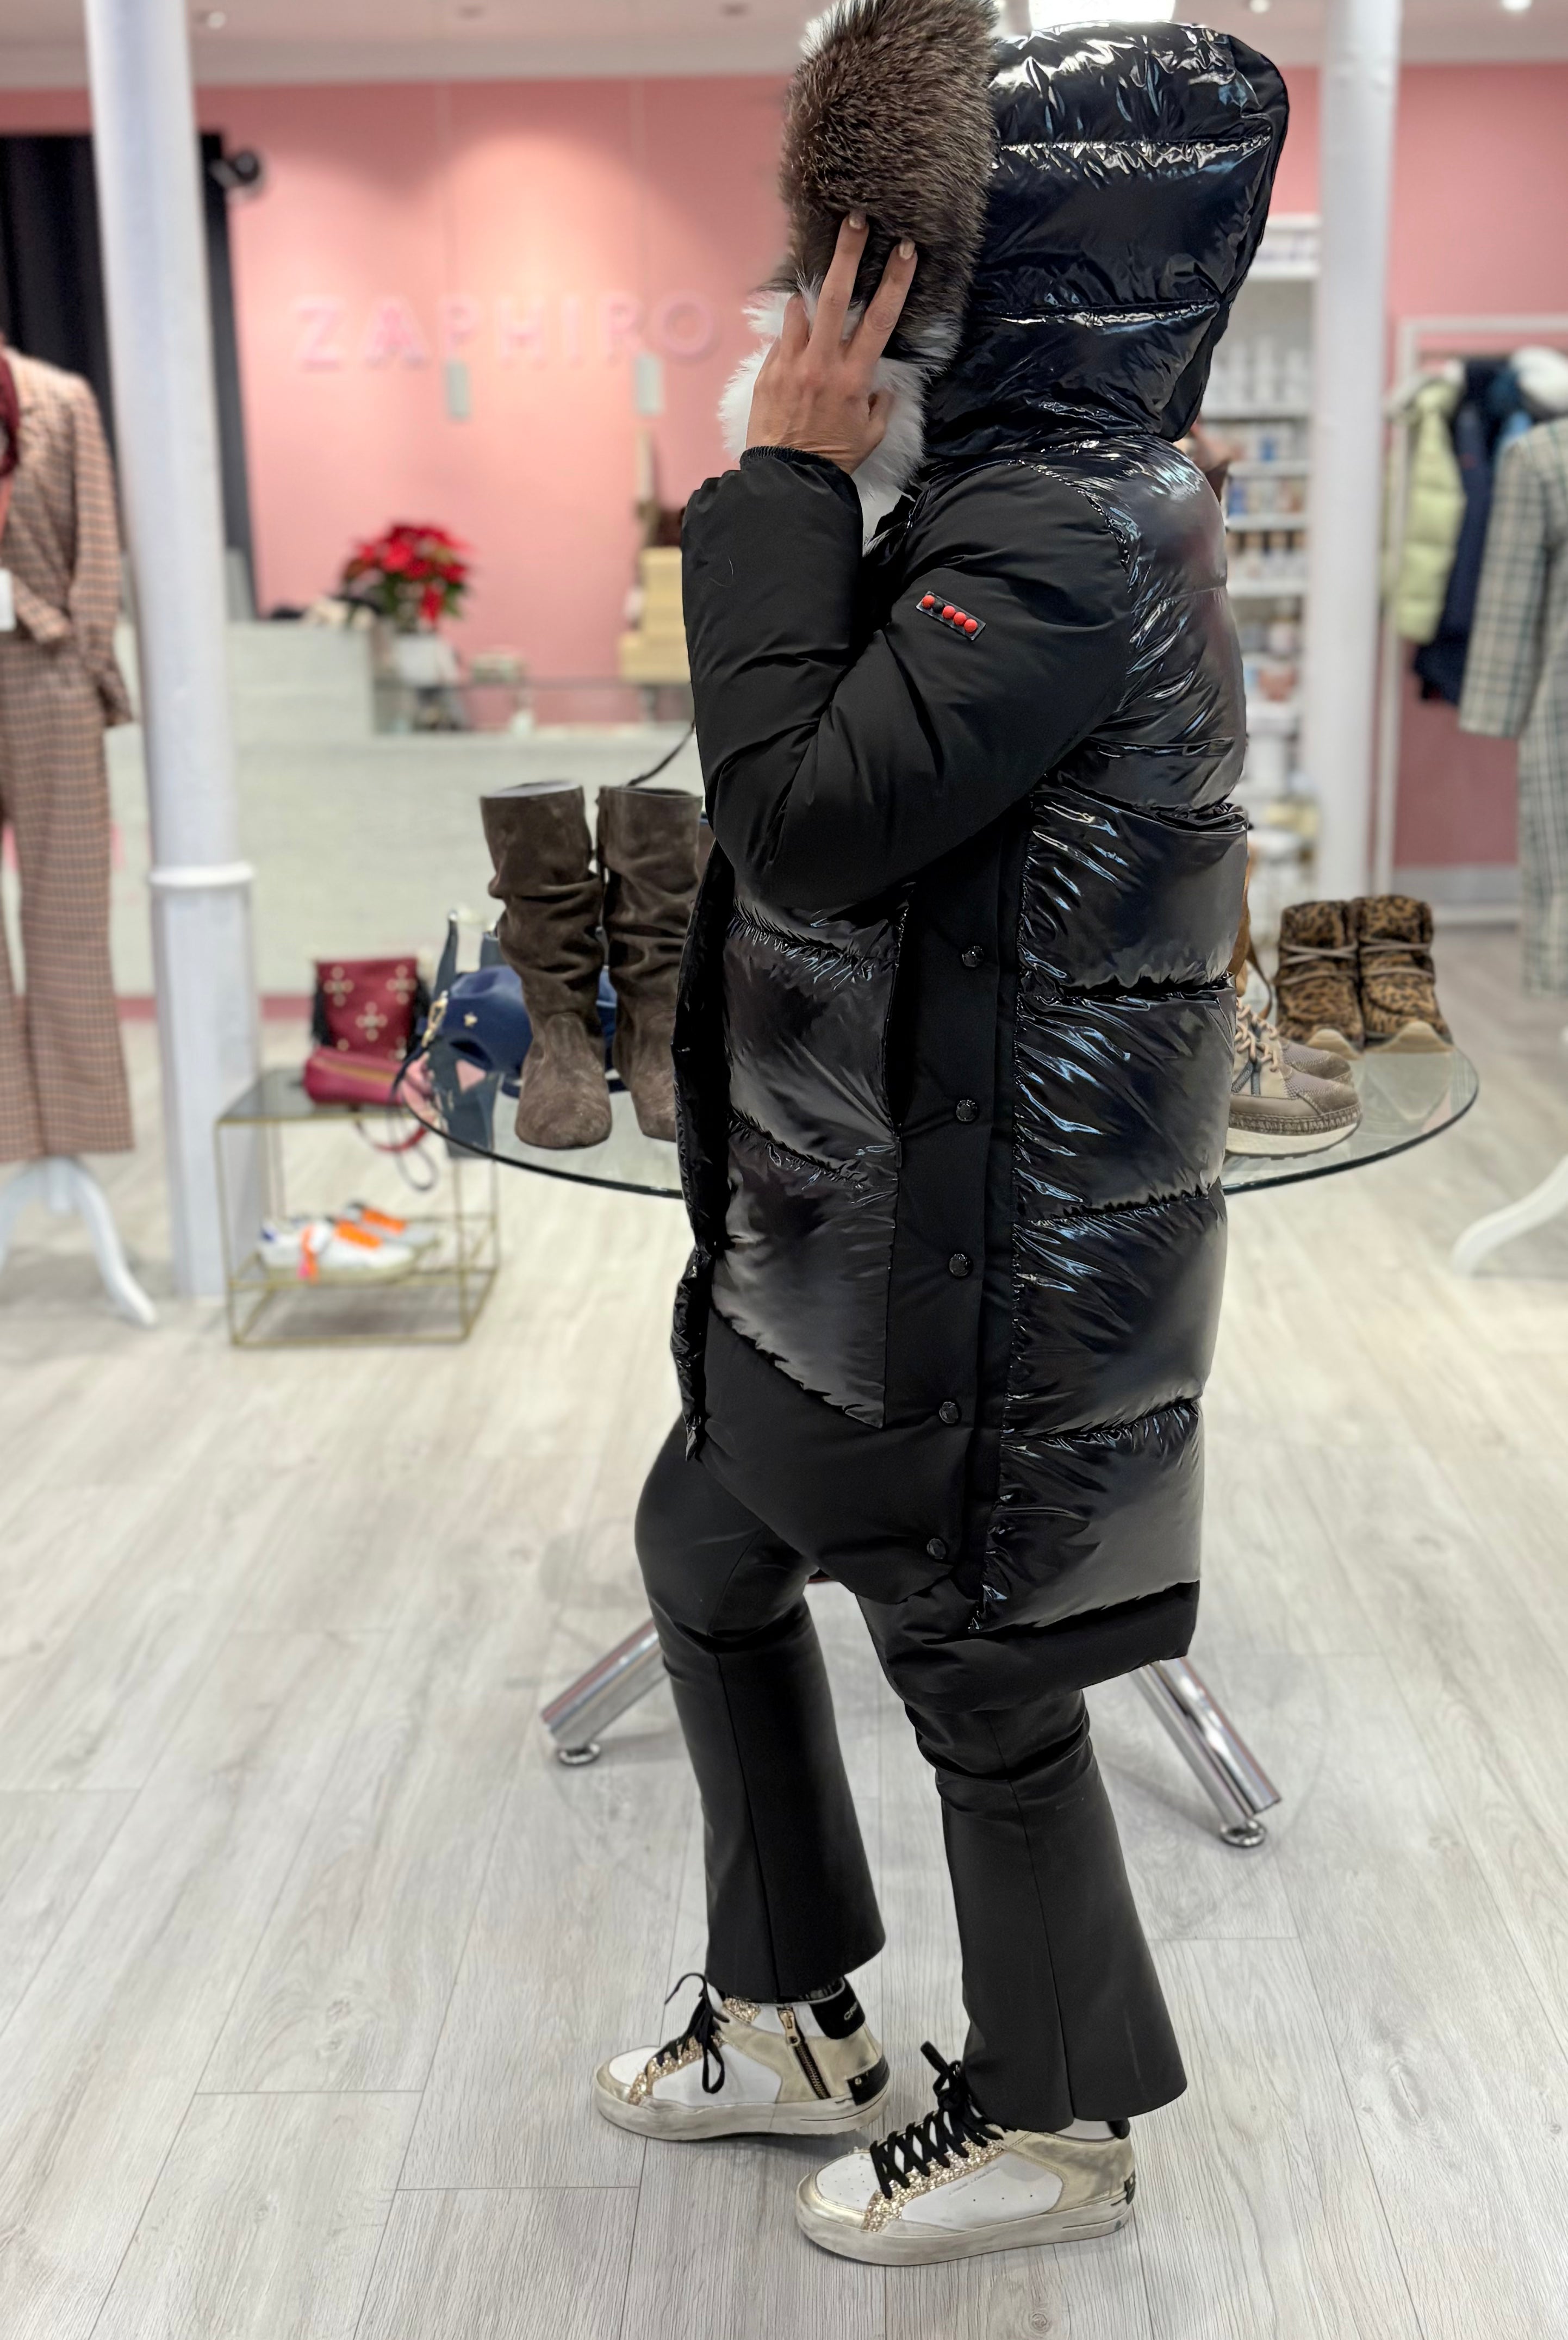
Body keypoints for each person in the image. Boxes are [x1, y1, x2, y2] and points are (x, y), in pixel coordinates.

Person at [593, 4, 1287, 2268]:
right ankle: (788, 2011)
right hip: (868, 1213)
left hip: (980, 1247)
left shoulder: (1066, 530)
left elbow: (803, 816)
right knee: (705, 1540)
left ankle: (1058, 2124)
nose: (807, 317)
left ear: (961, 283)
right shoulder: (1015, 497)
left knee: (979, 1671)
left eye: (853, 273)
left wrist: (779, 487)